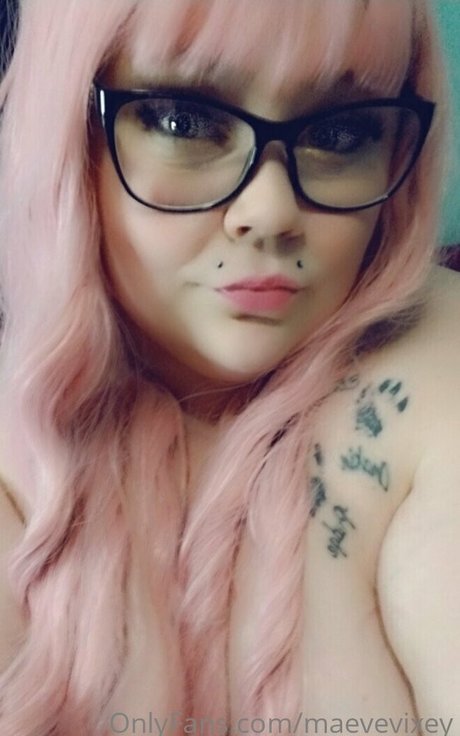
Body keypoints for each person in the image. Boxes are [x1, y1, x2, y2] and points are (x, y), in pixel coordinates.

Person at [0, 1, 459, 735]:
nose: (270, 213)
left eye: (341, 134)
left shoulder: (432, 362)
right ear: (65, 130)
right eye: (184, 121)